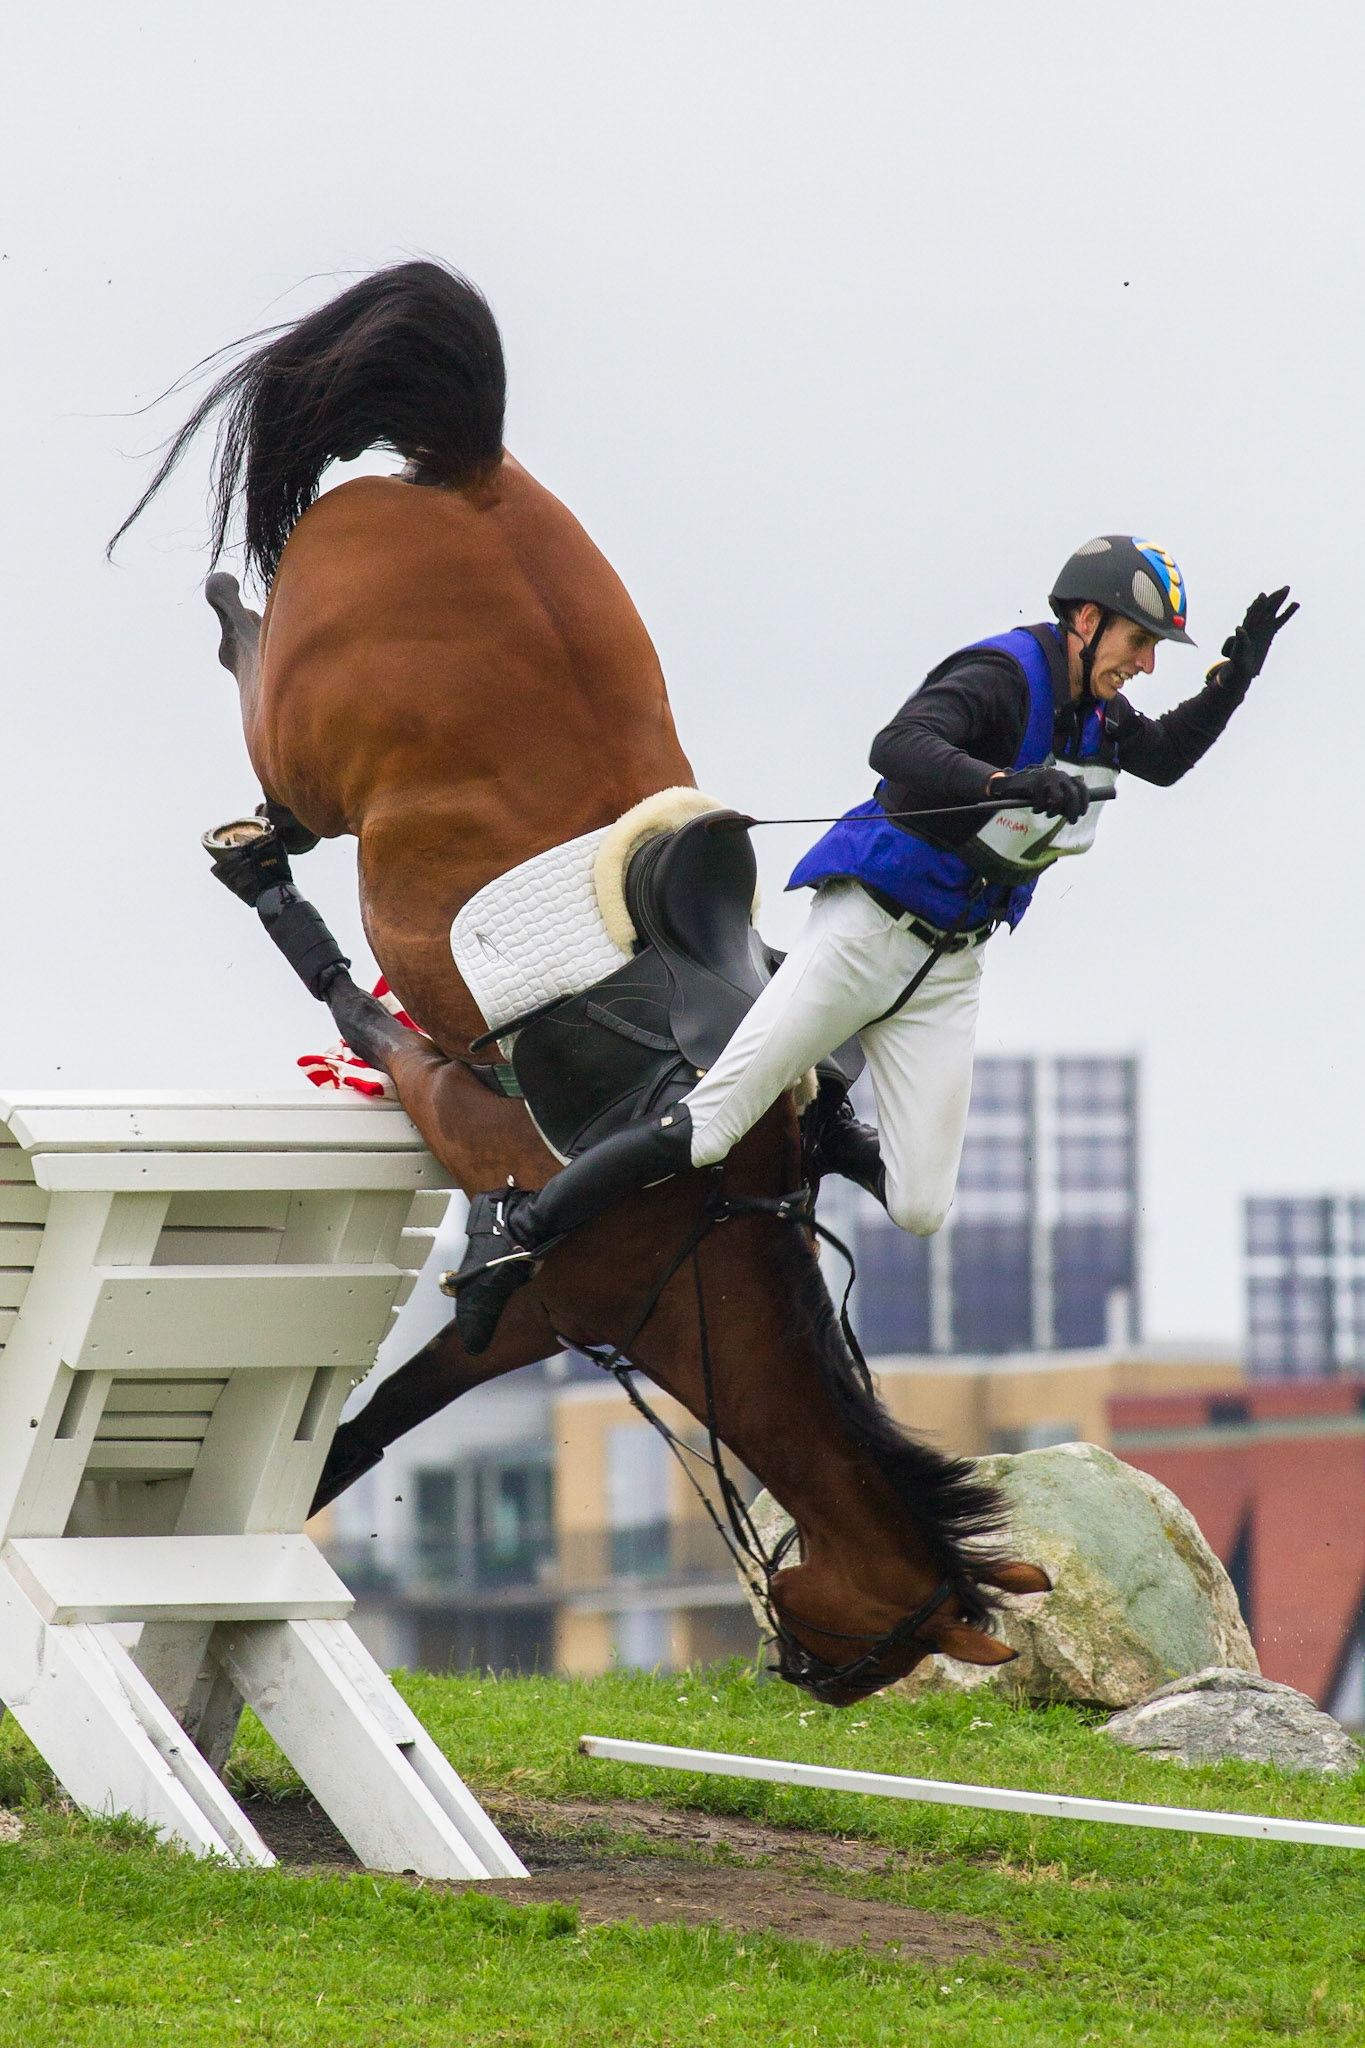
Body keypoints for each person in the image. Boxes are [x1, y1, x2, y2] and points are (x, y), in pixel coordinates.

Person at [451, 535, 1296, 1351]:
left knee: (921, 1205)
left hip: (949, 969)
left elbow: (1164, 760)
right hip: (865, 933)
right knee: (706, 1131)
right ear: (1084, 620)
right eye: (1139, 641)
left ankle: (826, 1132)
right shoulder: (1003, 674)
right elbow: (895, 747)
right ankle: (513, 1226)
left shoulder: (1095, 714)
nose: (1144, 664)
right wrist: (1004, 781)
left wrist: (1237, 681)